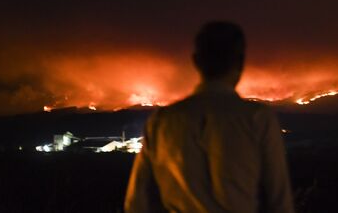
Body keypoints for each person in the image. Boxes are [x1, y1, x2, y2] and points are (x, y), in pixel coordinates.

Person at [124, 21, 294, 213]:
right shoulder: (258, 118)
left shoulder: (161, 121)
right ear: (240, 62)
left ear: (196, 61)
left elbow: (137, 203)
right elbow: (280, 202)